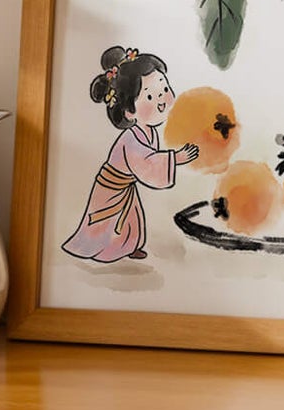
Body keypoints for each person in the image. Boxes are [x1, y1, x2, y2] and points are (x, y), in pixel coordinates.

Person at [62, 46, 199, 263]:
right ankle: (97, 249)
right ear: (129, 111)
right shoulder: (131, 139)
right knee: (104, 222)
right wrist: (176, 158)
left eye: (164, 89)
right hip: (111, 187)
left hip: (125, 186)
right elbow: (147, 164)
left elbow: (150, 160)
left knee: (129, 219)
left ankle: (127, 247)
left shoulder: (147, 131)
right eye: (151, 96)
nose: (162, 99)